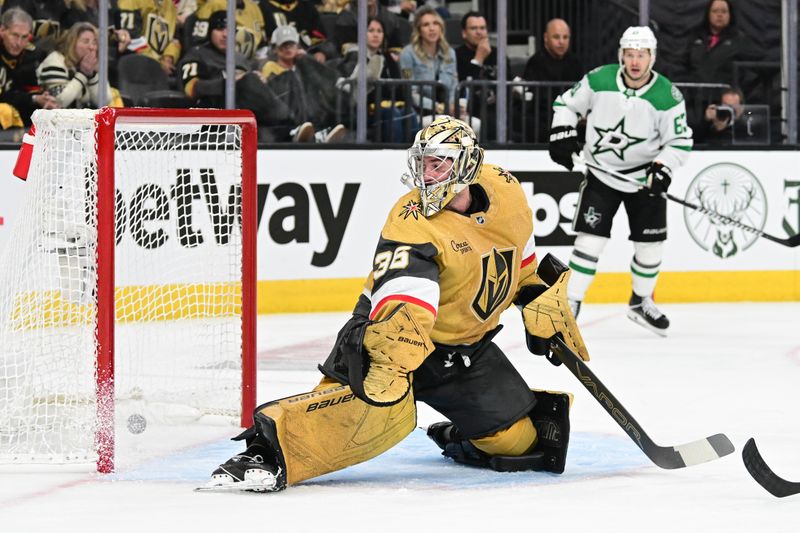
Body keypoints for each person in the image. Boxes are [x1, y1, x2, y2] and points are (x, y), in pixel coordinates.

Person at [201, 116, 588, 493]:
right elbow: (406, 298)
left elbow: (521, 257)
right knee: (352, 417)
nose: (427, 174)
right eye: (423, 163)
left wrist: (538, 297)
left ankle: (457, 434)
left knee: (521, 444)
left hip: (464, 353)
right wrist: (390, 358)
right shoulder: (411, 218)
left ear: (467, 165)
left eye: (438, 164)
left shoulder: (505, 191)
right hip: (387, 339)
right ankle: (265, 454)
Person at [548, 26, 692, 336]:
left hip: (644, 179)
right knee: (589, 242)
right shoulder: (600, 79)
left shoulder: (667, 95)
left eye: (641, 55)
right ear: (621, 55)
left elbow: (680, 141)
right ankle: (569, 303)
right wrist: (562, 132)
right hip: (601, 174)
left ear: (652, 57)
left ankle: (640, 303)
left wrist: (663, 168)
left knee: (651, 246)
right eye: (630, 54)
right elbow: (566, 105)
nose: (635, 61)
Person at [178, 12, 313, 143]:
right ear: (210, 31)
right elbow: (192, 88)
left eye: (230, 29)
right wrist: (233, 81)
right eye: (219, 29)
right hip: (216, 110)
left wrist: (260, 80)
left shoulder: (240, 58)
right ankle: (292, 127)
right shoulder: (198, 54)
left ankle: (307, 128)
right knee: (249, 81)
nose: (225, 34)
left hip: (249, 112)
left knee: (288, 78)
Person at [260, 24, 347, 143]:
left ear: (297, 46)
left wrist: (307, 59)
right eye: (284, 45)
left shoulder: (303, 65)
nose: (288, 49)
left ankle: (343, 85)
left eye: (291, 45)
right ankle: (304, 131)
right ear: (275, 48)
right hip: (289, 114)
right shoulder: (269, 67)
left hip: (311, 112)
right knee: (292, 79)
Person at [336, 16, 418, 142]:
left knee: (409, 112)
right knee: (393, 113)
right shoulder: (353, 57)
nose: (376, 35)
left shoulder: (388, 58)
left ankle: (413, 156)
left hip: (388, 106)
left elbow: (398, 87)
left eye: (379, 31)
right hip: (362, 112)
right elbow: (352, 89)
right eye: (371, 31)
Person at [36, 22, 119, 109]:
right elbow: (59, 101)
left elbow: (104, 101)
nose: (92, 47)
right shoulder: (55, 61)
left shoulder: (93, 65)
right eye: (85, 41)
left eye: (94, 42)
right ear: (72, 43)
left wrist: (92, 76)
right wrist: (82, 74)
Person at [0, 7, 58, 129]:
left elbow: (29, 92)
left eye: (24, 37)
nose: (19, 43)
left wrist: (43, 99)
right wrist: (33, 98)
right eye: (15, 35)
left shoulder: (32, 55)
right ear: (2, 30)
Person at [454, 10, 508, 140]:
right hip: (473, 109)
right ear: (464, 33)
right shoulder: (457, 55)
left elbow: (508, 82)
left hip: (499, 107)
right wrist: (478, 59)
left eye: (482, 28)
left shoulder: (498, 55)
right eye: (474, 28)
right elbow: (464, 88)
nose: (479, 32)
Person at [681, 0, 760, 86]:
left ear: (730, 14)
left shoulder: (740, 40)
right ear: (708, 14)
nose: (719, 15)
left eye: (724, 11)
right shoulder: (695, 36)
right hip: (695, 95)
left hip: (726, 96)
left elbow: (752, 72)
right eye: (715, 11)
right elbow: (683, 64)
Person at [399, 6, 457, 124]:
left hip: (447, 111)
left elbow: (454, 84)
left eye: (435, 23)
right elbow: (410, 92)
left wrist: (451, 104)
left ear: (441, 27)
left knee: (475, 125)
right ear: (419, 30)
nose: (432, 28)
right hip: (421, 112)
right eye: (426, 25)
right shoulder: (407, 54)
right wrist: (437, 107)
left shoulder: (449, 53)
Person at [523, 18, 582, 83]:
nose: (561, 42)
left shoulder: (574, 63)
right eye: (556, 37)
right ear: (546, 37)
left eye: (565, 37)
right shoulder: (535, 63)